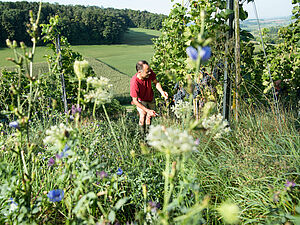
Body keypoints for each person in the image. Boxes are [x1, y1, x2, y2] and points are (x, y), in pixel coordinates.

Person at [130, 60, 168, 137]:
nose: (149, 73)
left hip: (150, 97)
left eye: (149, 70)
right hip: (141, 100)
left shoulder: (149, 72)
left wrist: (162, 92)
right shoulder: (134, 82)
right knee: (143, 115)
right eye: (147, 71)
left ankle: (148, 136)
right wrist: (147, 110)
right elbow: (135, 100)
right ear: (139, 72)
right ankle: (141, 137)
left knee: (149, 117)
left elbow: (156, 82)